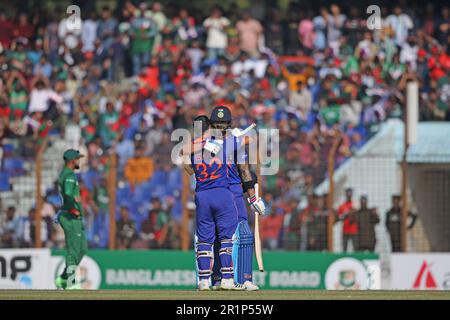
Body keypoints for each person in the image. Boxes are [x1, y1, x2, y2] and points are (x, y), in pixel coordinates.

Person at [54, 149, 87, 290]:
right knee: (73, 250)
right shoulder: (69, 175)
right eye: (78, 158)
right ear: (72, 160)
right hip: (71, 216)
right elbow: (68, 193)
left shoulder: (68, 174)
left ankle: (63, 278)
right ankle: (71, 283)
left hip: (74, 217)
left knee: (82, 249)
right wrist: (72, 208)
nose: (79, 161)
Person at [336, 188, 358, 252]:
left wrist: (352, 213)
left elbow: (357, 214)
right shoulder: (342, 206)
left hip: (354, 230)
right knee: (344, 248)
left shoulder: (355, 204)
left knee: (355, 248)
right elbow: (339, 217)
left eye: (350, 193)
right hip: (345, 230)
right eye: (347, 193)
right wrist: (345, 215)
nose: (349, 195)